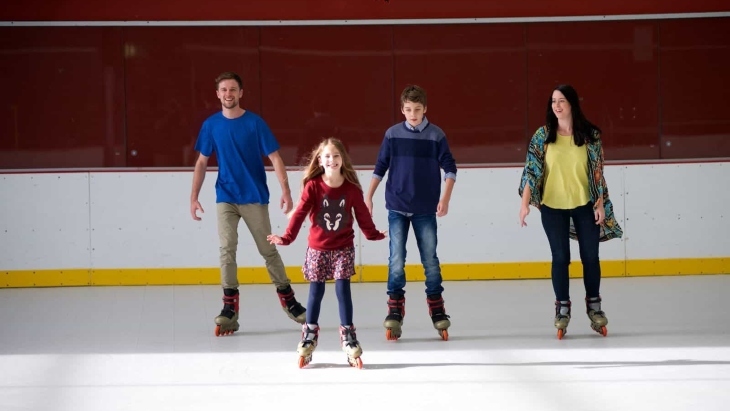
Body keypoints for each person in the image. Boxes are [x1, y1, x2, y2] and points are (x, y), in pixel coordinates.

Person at [190, 71, 306, 337]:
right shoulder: (211, 125)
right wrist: (193, 196)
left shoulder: (255, 123)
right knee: (226, 249)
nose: (228, 94)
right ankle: (229, 308)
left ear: (240, 93)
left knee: (268, 250)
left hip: (254, 196)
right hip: (225, 197)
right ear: (217, 94)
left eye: (233, 90)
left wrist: (286, 191)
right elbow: (201, 162)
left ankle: (288, 299)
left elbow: (275, 158)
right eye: (224, 90)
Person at [267, 137, 387, 369]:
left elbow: (362, 216)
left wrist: (374, 234)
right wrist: (286, 238)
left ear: (343, 159)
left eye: (336, 156)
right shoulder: (313, 186)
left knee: (343, 290)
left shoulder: (351, 189)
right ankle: (309, 334)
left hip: (343, 248)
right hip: (318, 249)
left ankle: (348, 336)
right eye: (327, 156)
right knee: (316, 291)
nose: (332, 160)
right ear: (320, 160)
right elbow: (300, 213)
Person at [518, 84, 623, 340]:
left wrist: (599, 204)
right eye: (553, 101)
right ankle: (562, 309)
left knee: (590, 257)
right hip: (553, 208)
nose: (557, 105)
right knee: (560, 258)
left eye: (562, 101)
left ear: (572, 104)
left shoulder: (590, 136)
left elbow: (598, 173)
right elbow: (531, 173)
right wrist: (524, 205)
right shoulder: (542, 136)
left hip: (585, 205)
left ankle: (594, 308)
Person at [364, 85, 457, 342]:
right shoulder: (392, 134)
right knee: (396, 259)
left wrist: (445, 199)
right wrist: (368, 195)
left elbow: (450, 168)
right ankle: (394, 308)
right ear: (402, 109)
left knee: (430, 259)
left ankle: (437, 307)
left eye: (417, 109)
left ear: (425, 108)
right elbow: (381, 166)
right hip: (396, 207)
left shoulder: (436, 136)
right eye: (408, 109)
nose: (412, 114)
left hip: (425, 209)